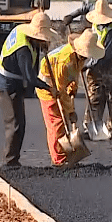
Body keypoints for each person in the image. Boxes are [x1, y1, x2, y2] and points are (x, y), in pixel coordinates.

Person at [0, 12, 58, 168]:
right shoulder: (23, 50)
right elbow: (30, 78)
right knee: (15, 123)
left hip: (14, 82)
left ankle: (13, 159)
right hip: (6, 85)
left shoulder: (23, 32)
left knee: (20, 123)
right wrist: (48, 88)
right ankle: (9, 162)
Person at [37, 29, 105, 166]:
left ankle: (66, 155)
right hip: (48, 87)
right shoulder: (65, 62)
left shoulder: (79, 57)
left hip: (61, 84)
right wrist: (71, 112)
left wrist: (73, 87)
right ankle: (59, 161)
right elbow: (61, 92)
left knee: (63, 122)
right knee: (56, 124)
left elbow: (73, 75)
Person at [80, 0, 112, 140]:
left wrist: (87, 65)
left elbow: (105, 54)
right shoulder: (96, 25)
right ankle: (92, 128)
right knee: (94, 96)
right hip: (97, 65)